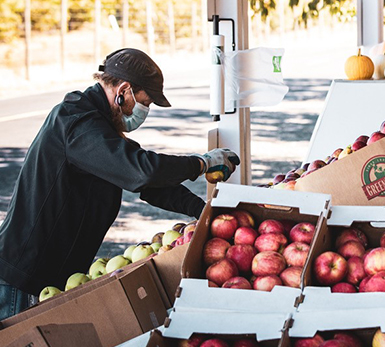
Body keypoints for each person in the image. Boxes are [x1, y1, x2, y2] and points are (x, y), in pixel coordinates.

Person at [0, 48, 240, 320]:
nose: (144, 111)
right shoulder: (77, 123)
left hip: (54, 275)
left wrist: (206, 212)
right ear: (123, 90)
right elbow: (141, 171)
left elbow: (150, 184)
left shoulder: (99, 122)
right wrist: (201, 164)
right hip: (24, 278)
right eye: (145, 102)